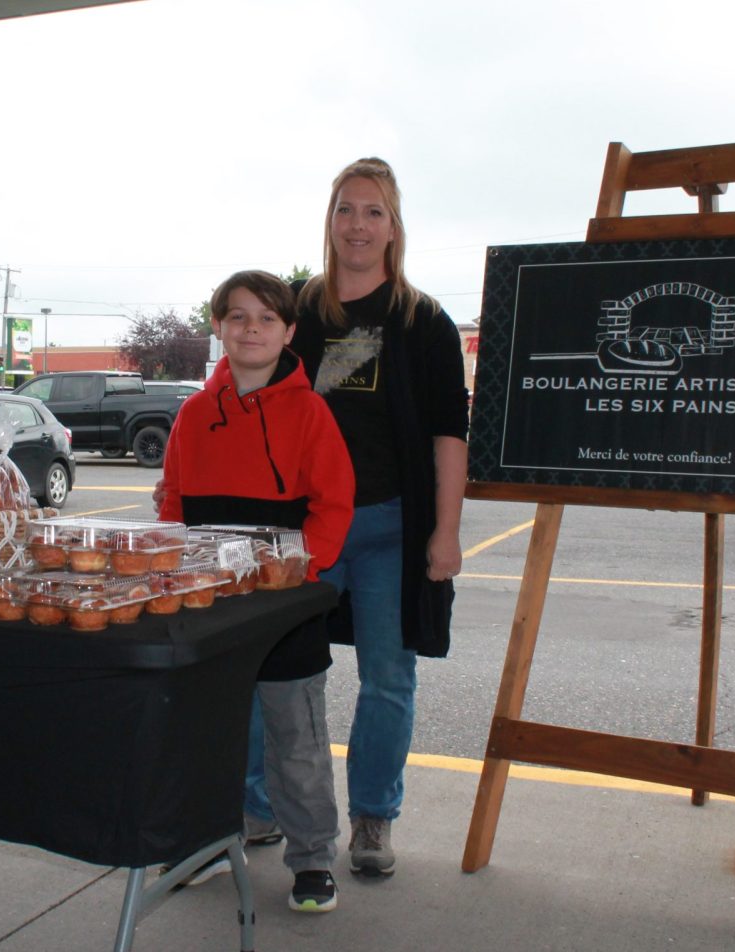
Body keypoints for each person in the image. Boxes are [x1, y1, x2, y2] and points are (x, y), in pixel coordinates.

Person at [279, 156, 470, 879]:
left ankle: (371, 820)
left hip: (392, 526)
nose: (358, 225)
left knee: (388, 679)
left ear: (394, 228)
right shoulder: (297, 314)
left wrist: (445, 532)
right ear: (329, 221)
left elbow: (449, 434)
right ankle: (269, 808)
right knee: (283, 674)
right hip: (306, 532)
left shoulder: (422, 322)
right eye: (346, 210)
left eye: (374, 211)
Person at [156, 269, 355, 913]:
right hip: (210, 605)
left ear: (290, 332)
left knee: (295, 739)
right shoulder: (192, 413)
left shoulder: (310, 410)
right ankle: (211, 845)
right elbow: (175, 503)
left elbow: (333, 504)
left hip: (283, 606)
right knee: (211, 735)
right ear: (218, 327)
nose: (251, 329)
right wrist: (177, 569)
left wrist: (301, 573)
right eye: (238, 317)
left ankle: (313, 859)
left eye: (267, 319)